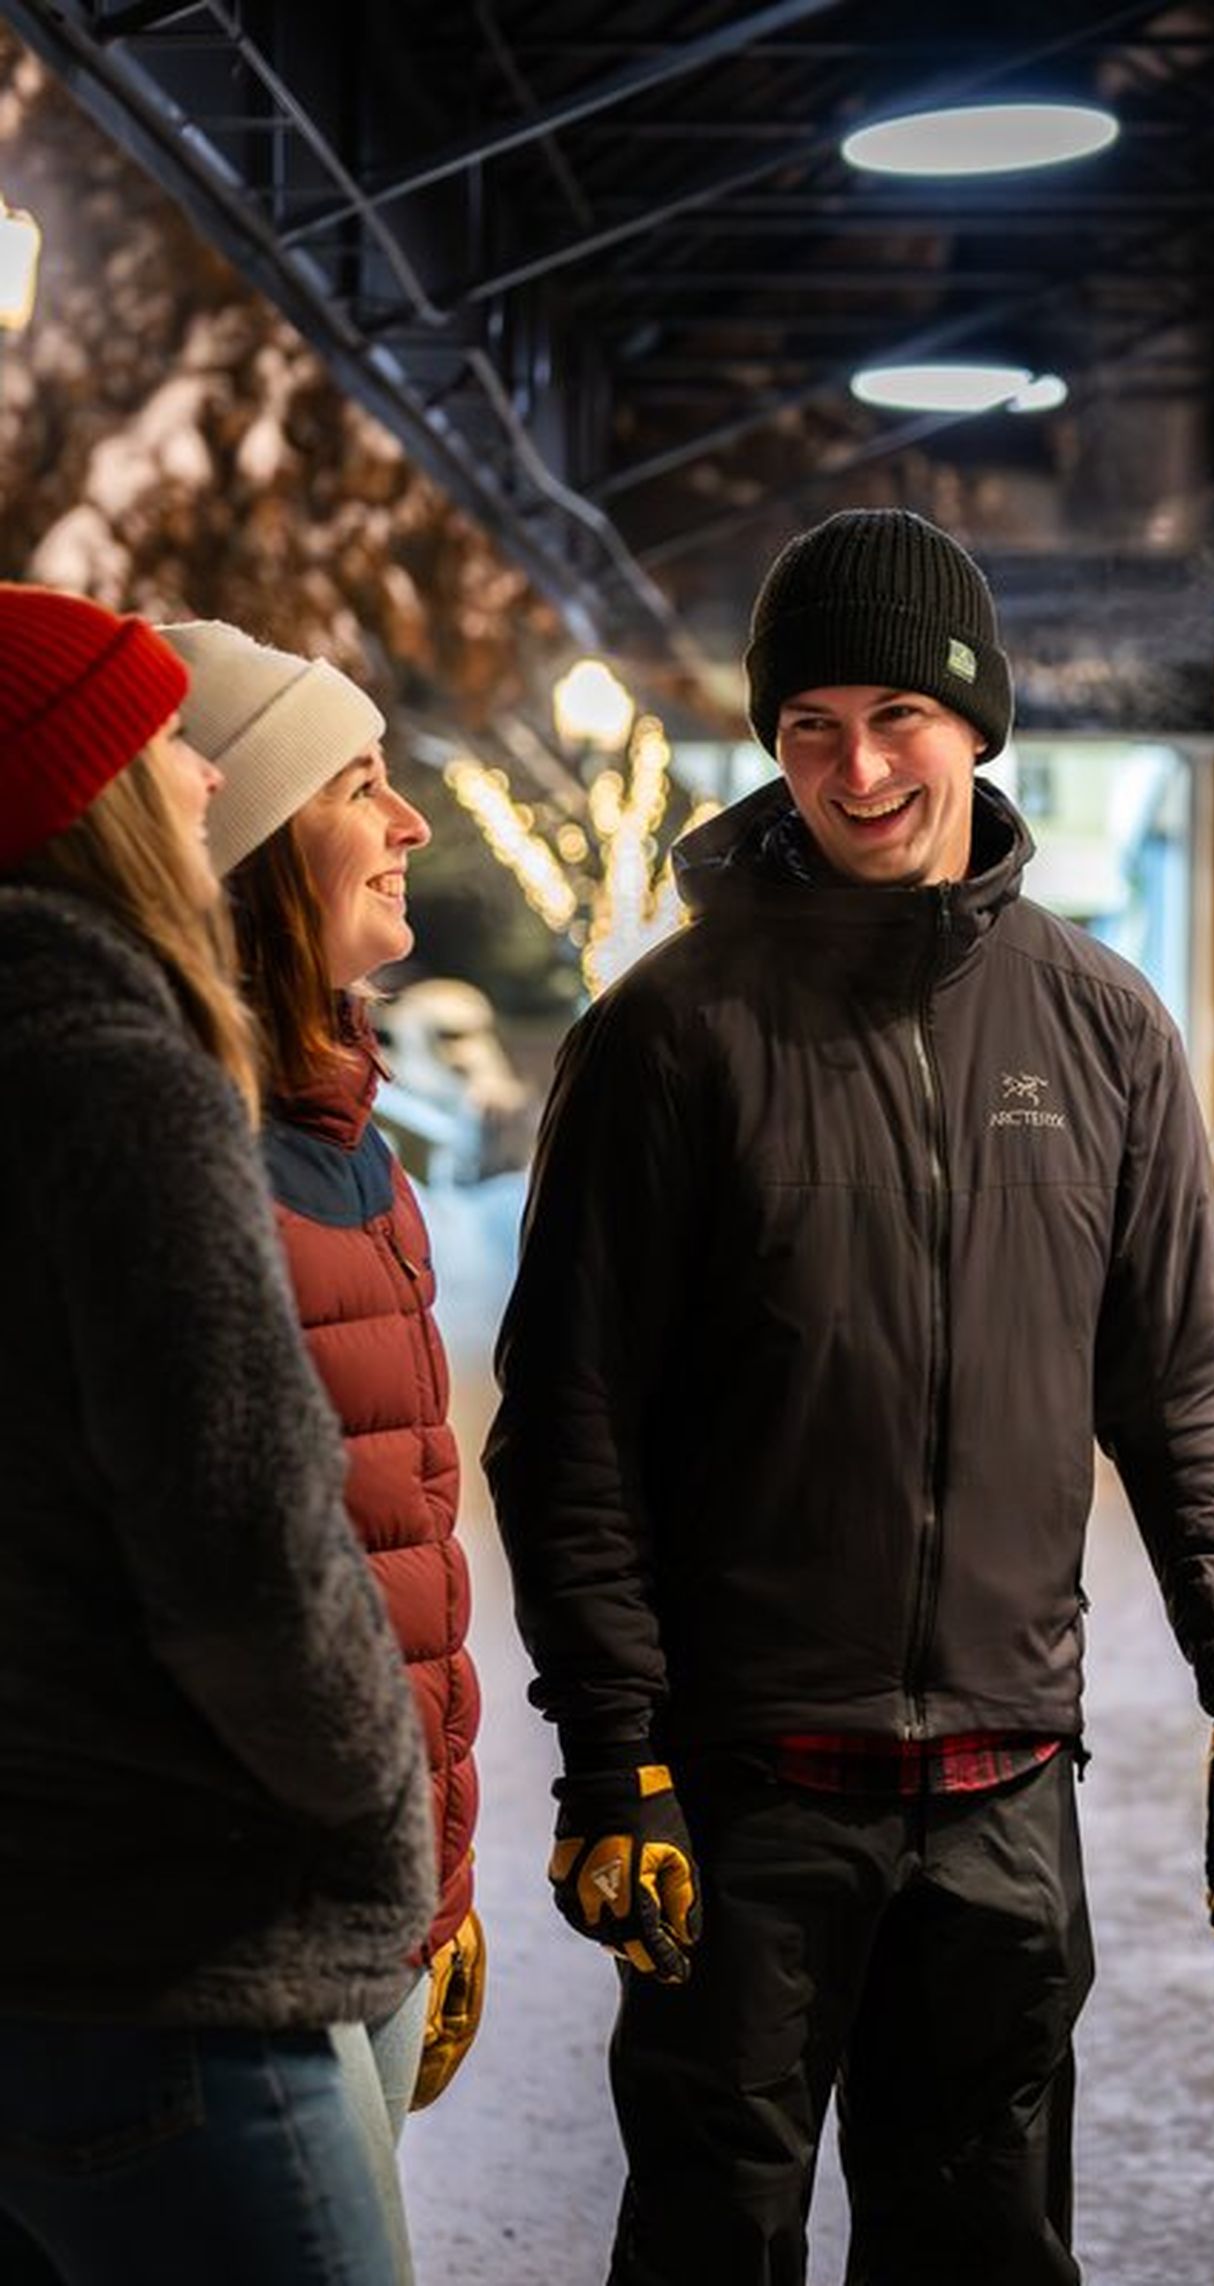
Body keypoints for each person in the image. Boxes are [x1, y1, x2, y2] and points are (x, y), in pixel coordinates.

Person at [485, 508, 1214, 2286]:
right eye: (808, 727)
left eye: (897, 716)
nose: (855, 767)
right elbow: (570, 1428)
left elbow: (1183, 1392)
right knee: (714, 2243)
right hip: (741, 1800)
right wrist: (613, 1757)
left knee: (983, 2253)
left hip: (1004, 1796)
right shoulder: (668, 1039)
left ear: (978, 721)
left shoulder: (1101, 1029)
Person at [0, 583, 435, 2284]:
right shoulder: (125, 1075)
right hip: (192, 1946)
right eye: (164, 744)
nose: (196, 777)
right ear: (99, 795)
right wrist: (376, 1803)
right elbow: (246, 1544)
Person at [157, 619, 485, 2140]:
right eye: (361, 784)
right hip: (252, 1923)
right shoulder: (185, 1149)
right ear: (257, 840)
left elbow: (399, 1548)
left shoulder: (352, 1138)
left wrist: (443, 1884)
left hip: (377, 1889)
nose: (410, 821)